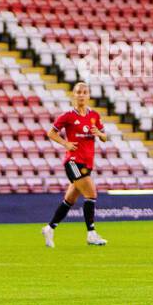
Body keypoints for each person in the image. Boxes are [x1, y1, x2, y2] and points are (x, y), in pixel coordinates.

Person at [42, 82, 107, 247]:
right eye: (78, 92)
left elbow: (105, 137)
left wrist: (99, 133)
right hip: (72, 162)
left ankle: (50, 228)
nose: (81, 95)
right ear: (74, 95)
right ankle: (91, 233)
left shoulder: (94, 116)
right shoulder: (68, 116)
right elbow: (51, 132)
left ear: (89, 95)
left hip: (87, 163)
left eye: (84, 92)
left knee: (69, 199)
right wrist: (65, 144)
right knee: (91, 193)